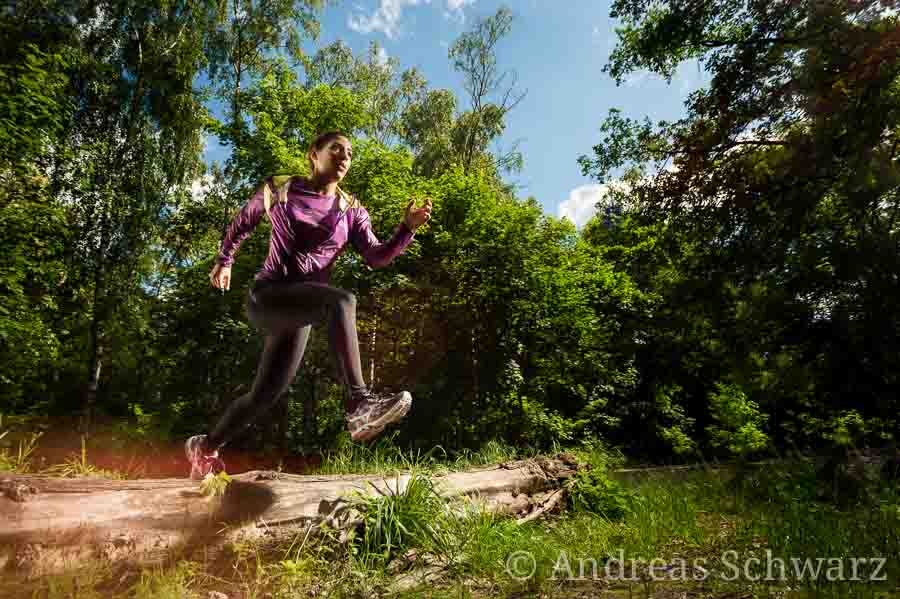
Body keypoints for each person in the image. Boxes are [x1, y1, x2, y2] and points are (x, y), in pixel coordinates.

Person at [184, 131, 433, 480]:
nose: (344, 157)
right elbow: (244, 221)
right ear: (313, 154)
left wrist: (406, 228)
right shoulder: (281, 188)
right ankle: (359, 404)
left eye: (349, 153)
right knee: (342, 301)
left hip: (303, 310)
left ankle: (206, 447)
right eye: (336, 149)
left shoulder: (351, 209)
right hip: (269, 295)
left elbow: (376, 257)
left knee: (265, 395)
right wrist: (225, 259)